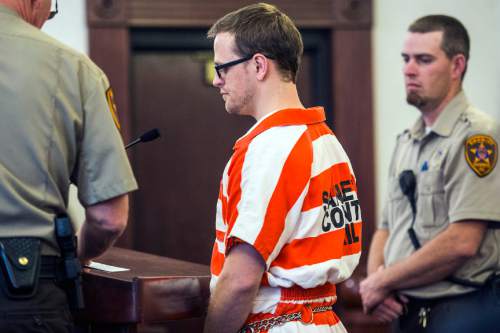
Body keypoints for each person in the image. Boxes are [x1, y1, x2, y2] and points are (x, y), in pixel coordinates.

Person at [204, 3, 363, 333]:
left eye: (222, 68)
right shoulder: (326, 141)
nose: (218, 81)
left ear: (259, 65)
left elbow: (241, 279)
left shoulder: (269, 147)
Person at [0, 0, 137, 331]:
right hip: (23, 289)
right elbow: (109, 218)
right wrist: (79, 251)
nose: (47, 17)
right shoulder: (74, 68)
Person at [360, 14, 500, 333]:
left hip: (464, 310)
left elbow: (463, 241)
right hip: (406, 309)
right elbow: (386, 228)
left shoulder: (477, 137)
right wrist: (375, 284)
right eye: (406, 59)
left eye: (424, 60)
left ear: (456, 66)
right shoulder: (408, 140)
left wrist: (382, 280)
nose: (409, 69)